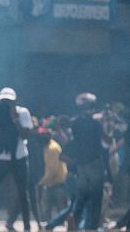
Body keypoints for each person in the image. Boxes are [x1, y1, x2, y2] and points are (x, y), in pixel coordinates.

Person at [46, 92, 107, 231]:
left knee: (80, 201)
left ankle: (74, 224)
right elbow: (105, 141)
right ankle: (88, 227)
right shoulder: (95, 126)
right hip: (91, 166)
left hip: (80, 169)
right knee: (94, 200)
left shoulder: (76, 127)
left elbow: (67, 150)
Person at [0, 87, 37, 231]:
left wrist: (15, 118)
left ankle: (27, 227)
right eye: (4, 101)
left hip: (19, 157)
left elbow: (25, 135)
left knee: (23, 193)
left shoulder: (22, 112)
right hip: (0, 158)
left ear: (14, 102)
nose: (6, 104)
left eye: (9, 101)